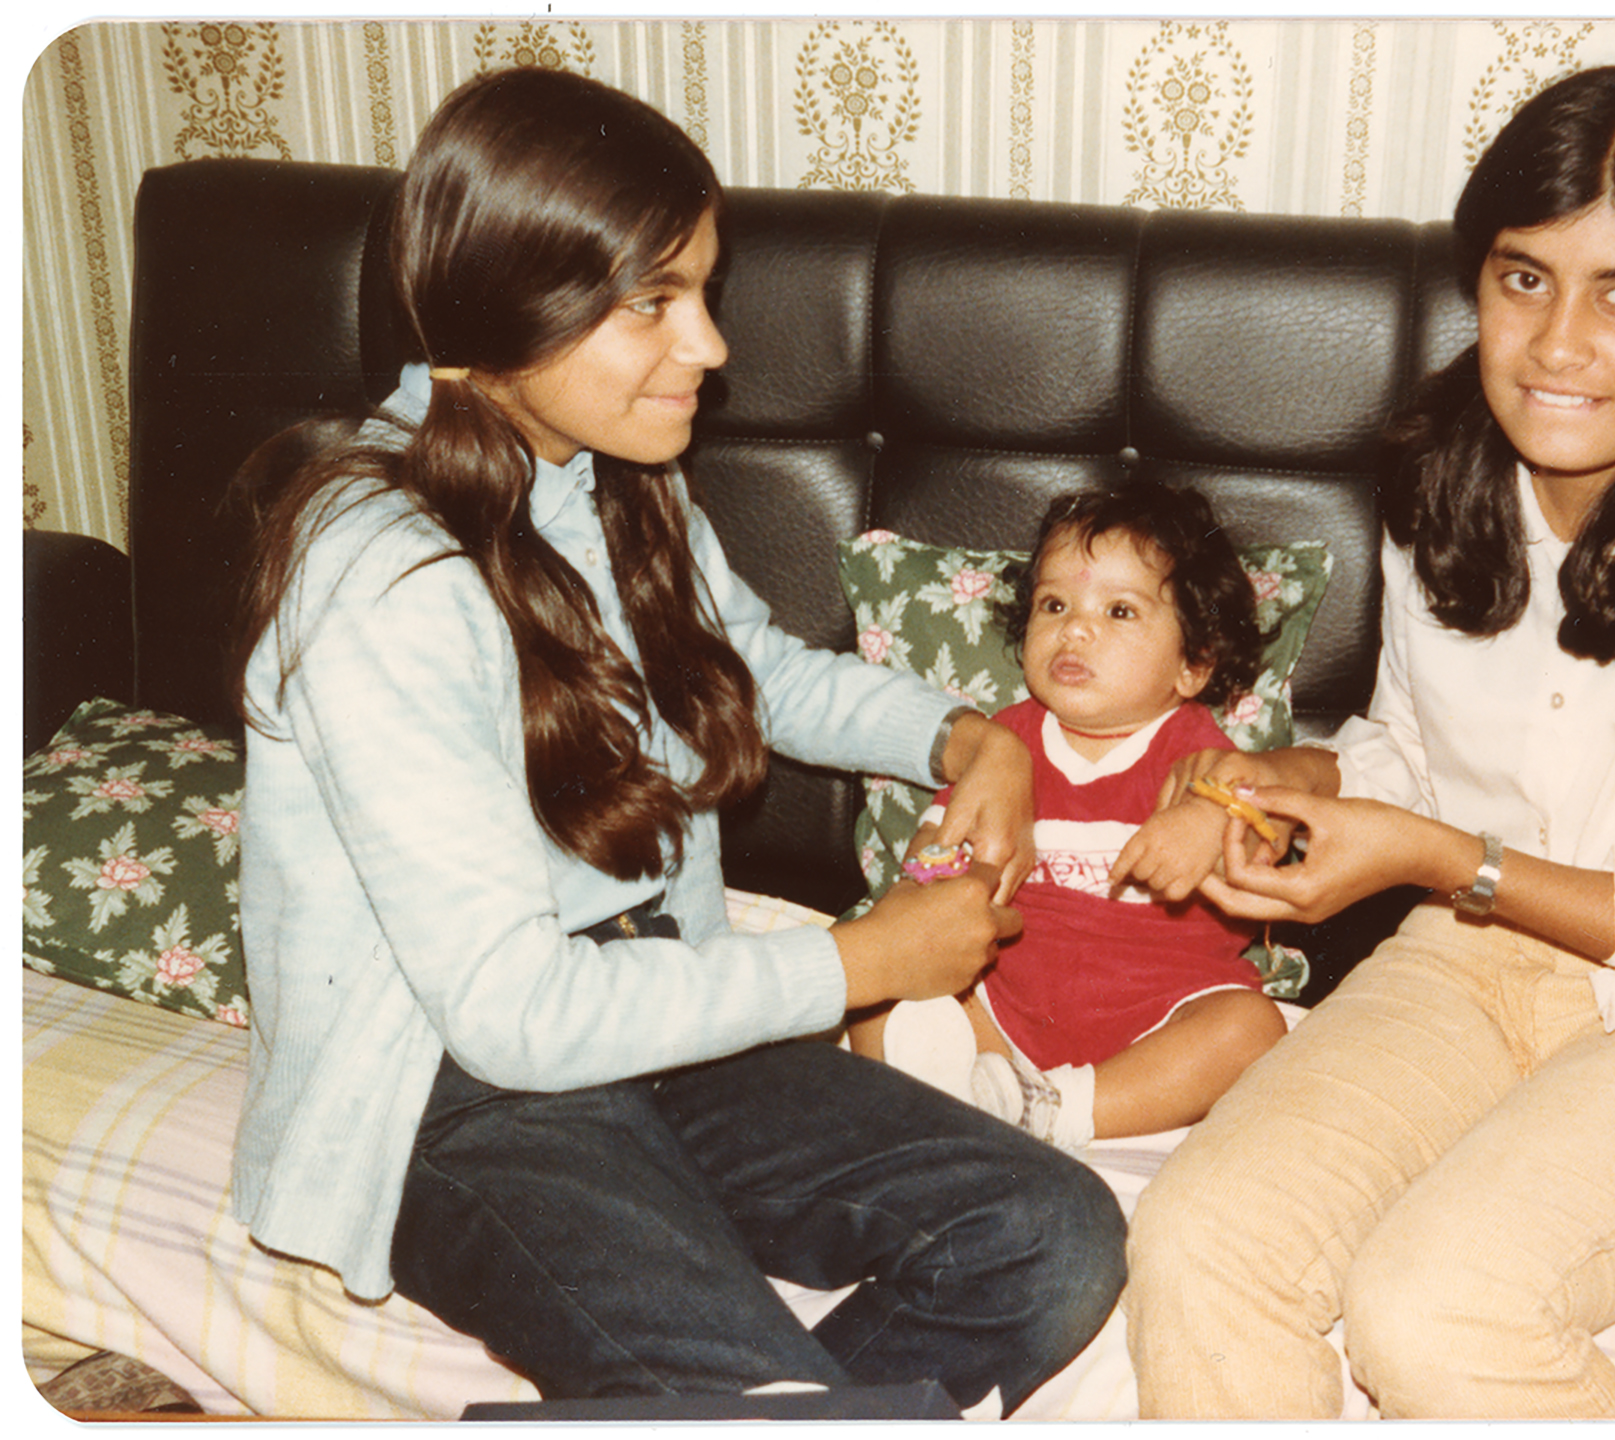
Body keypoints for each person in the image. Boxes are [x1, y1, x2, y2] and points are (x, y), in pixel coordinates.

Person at [226, 67, 1124, 1414]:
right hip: (461, 1089)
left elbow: (754, 673)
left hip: (667, 1019)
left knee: (1053, 1239)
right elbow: (516, 1015)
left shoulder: (616, 477)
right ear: (504, 307)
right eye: (652, 301)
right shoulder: (379, 575)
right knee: (761, 1400)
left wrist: (972, 740)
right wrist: (859, 963)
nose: (707, 345)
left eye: (703, 290)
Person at [1122, 65, 1615, 1419]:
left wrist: (1440, 858)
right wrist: (1289, 782)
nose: (1555, 346)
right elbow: (1408, 752)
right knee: (1200, 1242)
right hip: (1467, 961)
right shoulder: (1444, 475)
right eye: (1522, 279)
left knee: (1435, 1307)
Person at [854, 484, 1288, 1152]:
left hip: (1160, 1011)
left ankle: (1058, 1112)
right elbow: (935, 849)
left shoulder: (1200, 755)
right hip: (1001, 1002)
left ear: (1193, 665)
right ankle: (964, 1103)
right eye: (1054, 605)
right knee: (874, 994)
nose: (1075, 629)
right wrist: (930, 870)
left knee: (1251, 1028)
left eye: (1120, 611)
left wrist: (1214, 820)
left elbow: (1265, 844)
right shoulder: (1006, 743)